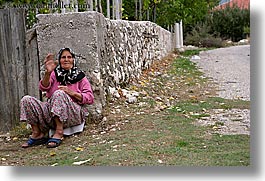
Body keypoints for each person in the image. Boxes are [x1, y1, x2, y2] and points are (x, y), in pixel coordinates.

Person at [20, 47, 94, 148]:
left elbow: (90, 98)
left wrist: (72, 93)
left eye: (69, 57)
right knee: (26, 100)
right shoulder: (54, 74)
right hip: (52, 114)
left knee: (59, 93)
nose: (66, 59)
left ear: (73, 60)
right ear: (59, 60)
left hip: (72, 114)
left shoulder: (80, 77)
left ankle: (59, 131)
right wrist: (48, 72)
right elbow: (43, 87)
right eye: (63, 57)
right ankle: (37, 133)